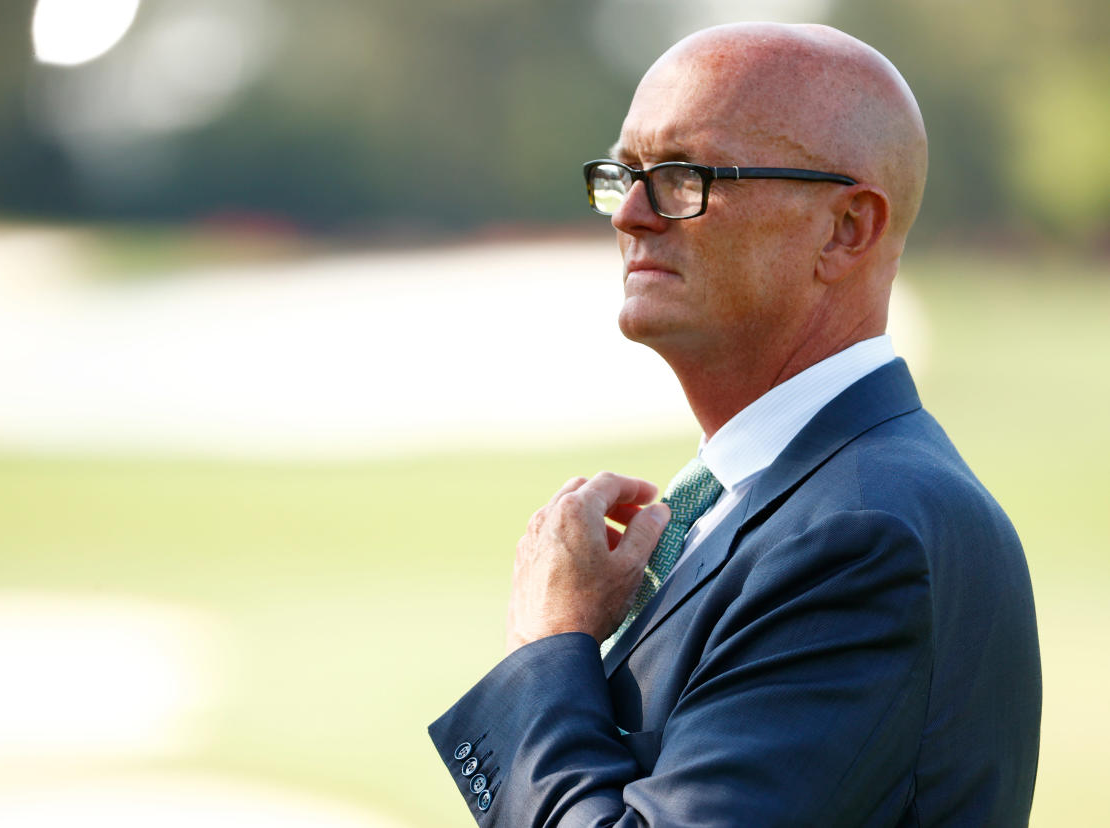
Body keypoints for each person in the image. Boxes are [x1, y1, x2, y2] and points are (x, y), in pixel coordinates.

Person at [428, 21, 1041, 827]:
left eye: (684, 176)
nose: (632, 215)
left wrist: (549, 649)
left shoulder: (861, 535)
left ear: (845, 229)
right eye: (625, 174)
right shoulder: (789, 500)